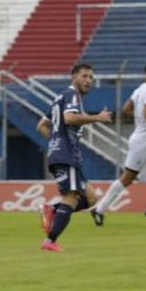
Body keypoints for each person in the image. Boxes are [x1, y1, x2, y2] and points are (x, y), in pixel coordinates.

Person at [90, 61, 146, 226]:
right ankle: (99, 209)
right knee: (127, 179)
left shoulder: (140, 89)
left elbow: (126, 108)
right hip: (143, 143)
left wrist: (139, 115)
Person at [36, 63, 112, 251]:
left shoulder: (60, 97)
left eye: (91, 78)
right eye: (84, 76)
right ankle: (50, 240)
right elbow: (70, 118)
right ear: (74, 77)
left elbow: (41, 125)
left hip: (65, 153)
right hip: (66, 154)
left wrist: (56, 141)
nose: (88, 81)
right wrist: (97, 118)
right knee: (71, 197)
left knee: (91, 198)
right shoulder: (72, 95)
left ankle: (52, 210)